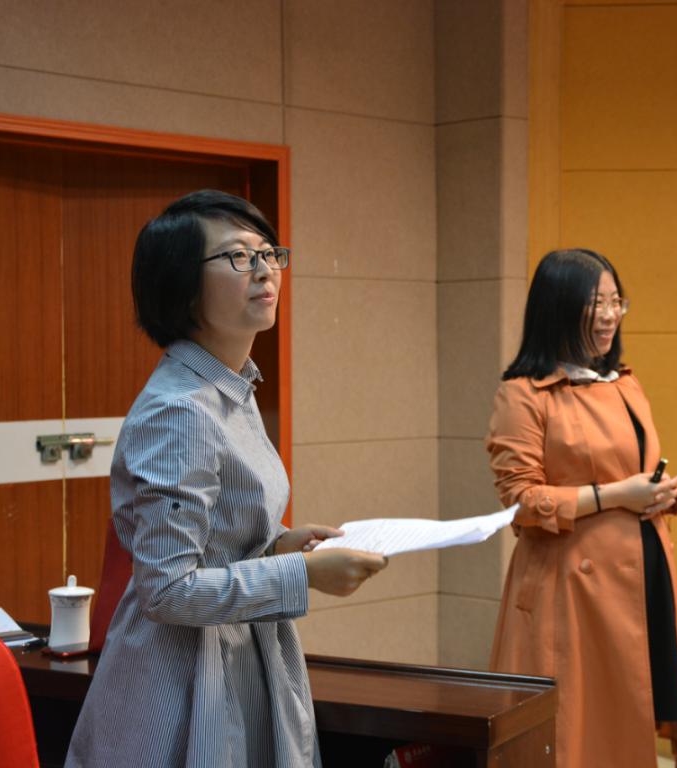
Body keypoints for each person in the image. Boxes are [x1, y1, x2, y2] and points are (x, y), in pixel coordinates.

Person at [66, 190, 388, 768]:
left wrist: (278, 543)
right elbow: (167, 589)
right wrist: (302, 573)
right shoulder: (181, 409)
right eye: (239, 256)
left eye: (269, 253)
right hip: (182, 674)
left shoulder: (231, 387)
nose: (265, 270)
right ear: (184, 286)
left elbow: (215, 535)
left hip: (240, 650)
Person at [485, 248, 677, 768]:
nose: (609, 315)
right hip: (569, 591)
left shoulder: (624, 383)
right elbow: (520, 501)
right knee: (573, 735)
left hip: (640, 574)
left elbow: (636, 468)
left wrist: (660, 493)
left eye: (617, 302)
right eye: (596, 303)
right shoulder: (524, 394)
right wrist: (618, 495)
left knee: (627, 722)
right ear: (558, 307)